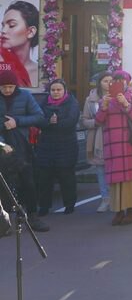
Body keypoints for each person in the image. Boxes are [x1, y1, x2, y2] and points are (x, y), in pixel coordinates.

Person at [95, 70, 132, 226]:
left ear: (128, 82)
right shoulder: (105, 100)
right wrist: (103, 106)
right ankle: (118, 211)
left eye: (121, 80)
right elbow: (98, 121)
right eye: (115, 80)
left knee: (131, 179)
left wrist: (126, 104)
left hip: (130, 144)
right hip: (112, 145)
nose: (118, 83)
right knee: (115, 180)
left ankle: (131, 211)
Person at [0, 69, 47, 231]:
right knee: (4, 186)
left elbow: (40, 117)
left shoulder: (26, 96)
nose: (7, 90)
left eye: (10, 86)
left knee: (28, 182)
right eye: (4, 87)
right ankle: (4, 223)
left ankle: (33, 217)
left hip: (22, 146)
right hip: (2, 147)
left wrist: (17, 122)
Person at [34, 78, 80, 216]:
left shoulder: (72, 103)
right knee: (44, 178)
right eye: (53, 90)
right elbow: (38, 120)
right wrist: (48, 122)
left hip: (66, 145)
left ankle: (69, 205)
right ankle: (44, 206)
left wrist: (54, 123)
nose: (55, 92)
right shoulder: (43, 103)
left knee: (66, 177)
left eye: (58, 89)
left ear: (64, 90)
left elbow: (71, 122)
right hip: (46, 146)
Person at [81, 72, 112, 212]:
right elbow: (85, 120)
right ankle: (105, 199)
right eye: (105, 81)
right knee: (100, 170)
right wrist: (97, 122)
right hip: (98, 137)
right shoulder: (91, 99)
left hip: (114, 136)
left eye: (111, 81)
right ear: (100, 82)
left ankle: (116, 198)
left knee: (114, 169)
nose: (108, 84)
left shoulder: (118, 96)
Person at [1, 1, 39, 87]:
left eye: (11, 25)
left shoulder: (40, 73)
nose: (3, 31)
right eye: (3, 26)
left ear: (30, 32)